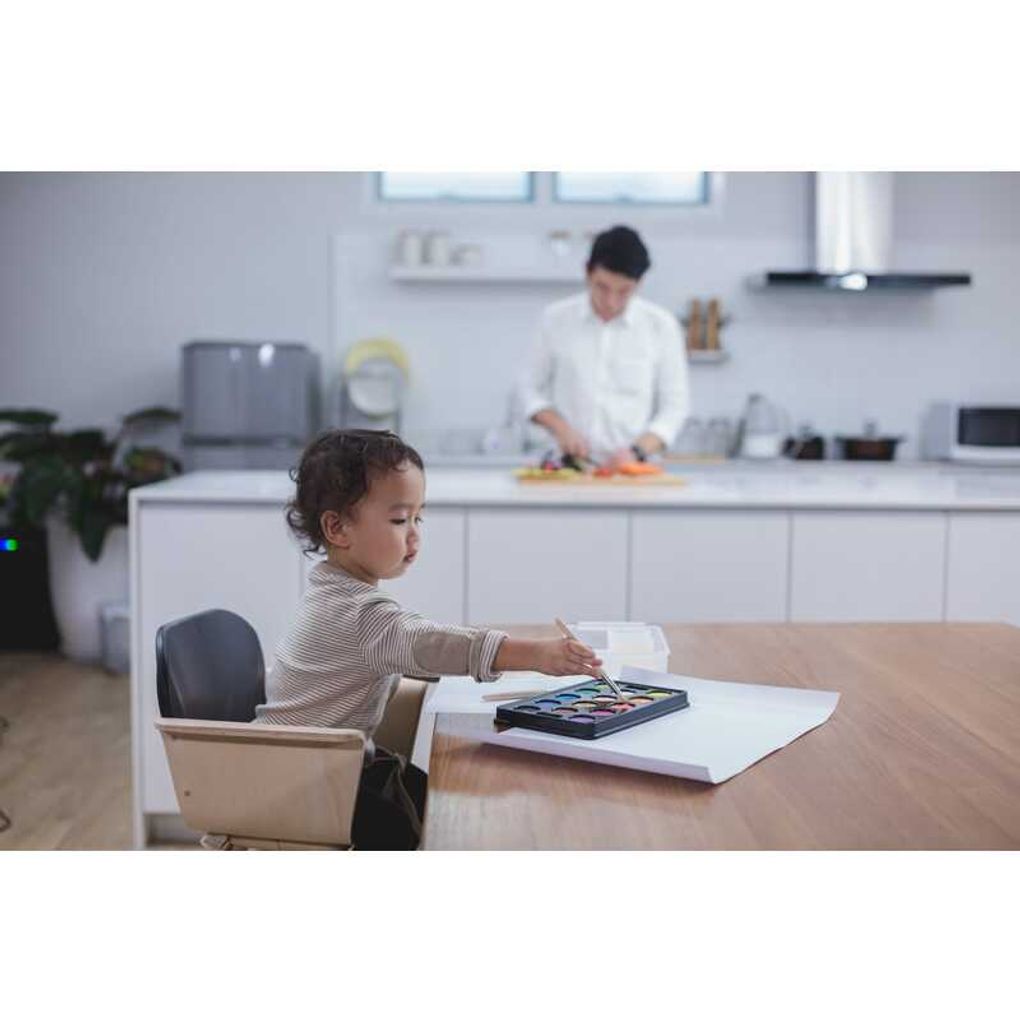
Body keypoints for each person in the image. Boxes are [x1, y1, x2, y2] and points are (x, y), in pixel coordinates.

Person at [254, 428, 602, 849]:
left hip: (314, 768)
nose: (415, 534)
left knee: (427, 795)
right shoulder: (354, 613)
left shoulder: (334, 591)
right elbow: (423, 643)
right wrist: (534, 654)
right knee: (436, 819)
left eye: (419, 517)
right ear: (338, 528)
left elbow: (409, 648)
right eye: (400, 519)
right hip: (301, 784)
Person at [520, 224, 690, 468]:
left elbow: (675, 407)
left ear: (639, 283)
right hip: (566, 466)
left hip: (633, 468)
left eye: (623, 291)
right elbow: (528, 389)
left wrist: (637, 450)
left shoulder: (661, 326)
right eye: (602, 287)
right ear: (588, 273)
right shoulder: (554, 319)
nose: (611, 302)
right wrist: (561, 428)